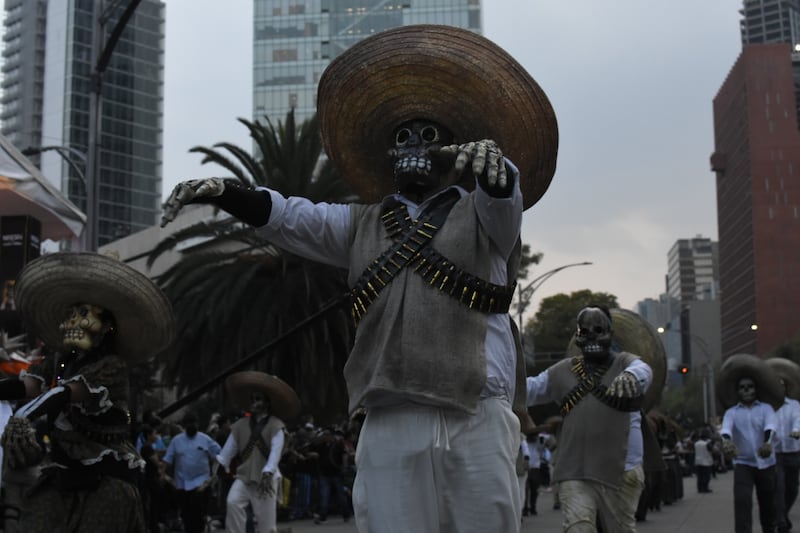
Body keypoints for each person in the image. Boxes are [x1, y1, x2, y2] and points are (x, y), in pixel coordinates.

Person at [161, 24, 558, 533]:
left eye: (428, 135)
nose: (414, 145)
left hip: (475, 410)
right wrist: (224, 192)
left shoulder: (485, 214)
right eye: (402, 138)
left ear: (455, 151)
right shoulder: (360, 225)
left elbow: (504, 200)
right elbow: (288, 215)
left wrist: (496, 171)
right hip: (390, 413)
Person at [0, 252, 175, 532]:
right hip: (63, 474)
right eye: (71, 313)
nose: (73, 321)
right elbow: (30, 385)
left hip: (104, 481)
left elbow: (65, 393)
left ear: (106, 327)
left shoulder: (112, 367)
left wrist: (22, 416)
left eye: (84, 314)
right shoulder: (59, 360)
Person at [526, 304, 653, 532]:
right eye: (585, 331)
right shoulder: (562, 370)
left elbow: (643, 370)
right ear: (577, 337)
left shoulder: (627, 364)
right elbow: (531, 389)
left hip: (621, 470)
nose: (592, 336)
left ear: (610, 335)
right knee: (578, 528)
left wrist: (631, 376)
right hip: (575, 470)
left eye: (599, 330)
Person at [216, 370, 300, 533]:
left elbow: (275, 453)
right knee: (232, 502)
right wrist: (220, 462)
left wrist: (268, 472)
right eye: (252, 399)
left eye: (258, 399)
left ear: (267, 403)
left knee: (266, 522)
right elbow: (229, 448)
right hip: (244, 476)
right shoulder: (240, 425)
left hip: (265, 479)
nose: (253, 402)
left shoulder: (276, 426)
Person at [718, 353, 783, 533]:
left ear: (756, 389)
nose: (746, 390)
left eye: (750, 387)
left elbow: (771, 425)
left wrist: (768, 443)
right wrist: (727, 442)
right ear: (737, 391)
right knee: (742, 500)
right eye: (742, 387)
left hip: (766, 464)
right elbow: (726, 429)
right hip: (743, 463)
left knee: (768, 505)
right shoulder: (732, 412)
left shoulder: (766, 409)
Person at [161, 411, 221, 533]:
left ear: (197, 424)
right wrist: (167, 478)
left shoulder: (205, 439)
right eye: (188, 424)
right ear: (184, 425)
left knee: (199, 519)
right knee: (187, 518)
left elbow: (220, 457)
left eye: (193, 423)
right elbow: (167, 461)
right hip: (182, 486)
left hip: (201, 486)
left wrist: (213, 477)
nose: (191, 426)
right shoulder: (176, 441)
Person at [766, 358, 800, 533]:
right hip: (775, 453)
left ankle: (783, 514)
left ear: (786, 387)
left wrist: (796, 430)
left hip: (793, 451)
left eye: (782, 385)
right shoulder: (767, 407)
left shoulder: (794, 405)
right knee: (779, 487)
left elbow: (798, 420)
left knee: (793, 488)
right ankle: (781, 523)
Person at [693, 428, 715, 494]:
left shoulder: (696, 443)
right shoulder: (706, 444)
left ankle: (699, 489)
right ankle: (705, 488)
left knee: (700, 476)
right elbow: (711, 450)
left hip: (698, 461)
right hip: (706, 462)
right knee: (706, 476)